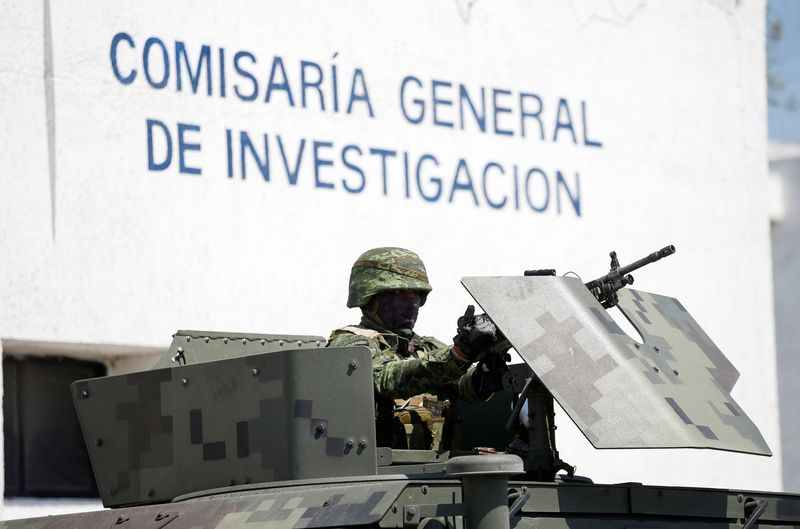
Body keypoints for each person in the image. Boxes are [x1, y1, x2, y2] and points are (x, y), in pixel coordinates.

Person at [326, 247, 501, 449]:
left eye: (417, 295)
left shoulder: (426, 346)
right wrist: (458, 353)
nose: (412, 304)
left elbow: (462, 386)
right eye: (401, 294)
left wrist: (484, 374)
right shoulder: (349, 344)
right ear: (370, 296)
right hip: (377, 471)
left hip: (435, 472)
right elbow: (385, 380)